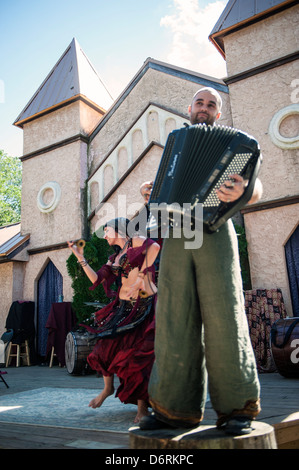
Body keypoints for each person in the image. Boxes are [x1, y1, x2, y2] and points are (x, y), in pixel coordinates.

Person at [140, 87, 263, 435]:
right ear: (190, 108)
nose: (205, 108)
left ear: (218, 113)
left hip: (216, 230)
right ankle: (171, 409)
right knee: (173, 316)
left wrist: (242, 192)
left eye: (212, 104)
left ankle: (238, 408)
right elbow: (163, 188)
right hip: (177, 233)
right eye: (200, 102)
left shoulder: (236, 145)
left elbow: (256, 187)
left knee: (226, 316)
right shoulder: (177, 141)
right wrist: (150, 191)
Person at [68, 217, 160, 423]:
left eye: (107, 230)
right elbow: (96, 278)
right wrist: (79, 257)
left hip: (143, 306)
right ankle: (107, 388)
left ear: (119, 229)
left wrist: (141, 276)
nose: (105, 235)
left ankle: (142, 408)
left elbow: (154, 247)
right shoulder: (115, 257)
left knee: (138, 357)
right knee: (104, 348)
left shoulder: (136, 240)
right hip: (122, 308)